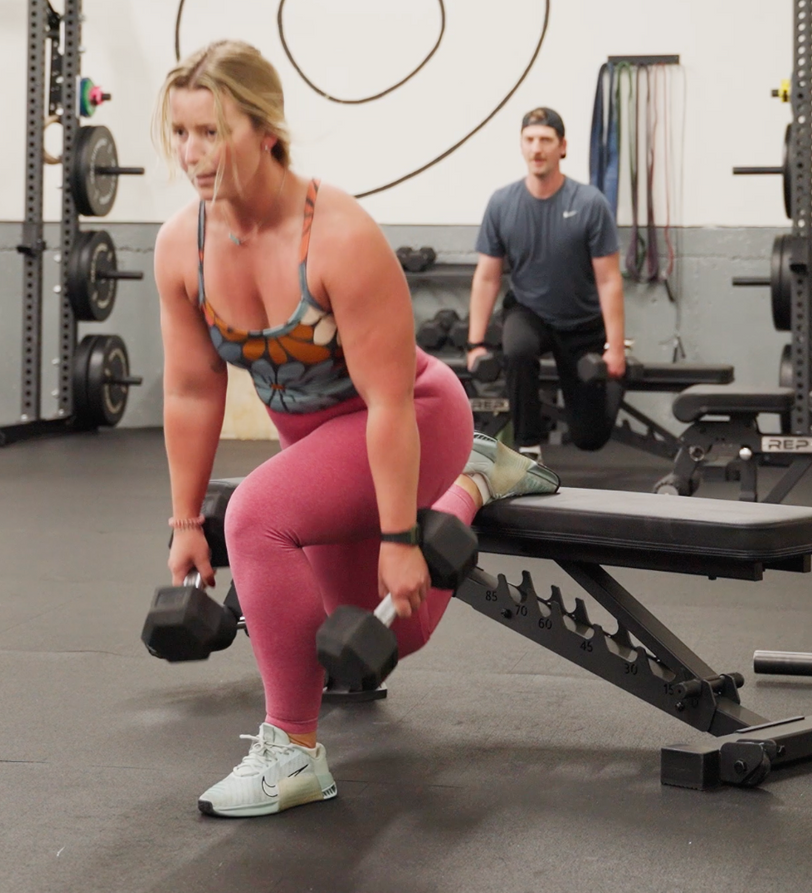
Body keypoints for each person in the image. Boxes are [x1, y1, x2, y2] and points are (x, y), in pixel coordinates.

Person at [152, 40, 558, 818]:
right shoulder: (183, 246)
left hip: (410, 419)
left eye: (212, 132)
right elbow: (193, 392)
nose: (192, 154)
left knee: (255, 515)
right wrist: (181, 521)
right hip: (319, 443)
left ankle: (293, 752)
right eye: (180, 133)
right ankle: (478, 481)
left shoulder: (337, 236)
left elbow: (390, 404)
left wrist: (404, 536)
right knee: (382, 647)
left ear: (265, 130)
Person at [465, 108, 626, 457]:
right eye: (530, 139)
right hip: (529, 310)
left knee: (589, 438)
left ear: (562, 147)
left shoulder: (590, 204)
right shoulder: (502, 203)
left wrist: (613, 348)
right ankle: (528, 445)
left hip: (581, 320)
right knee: (517, 348)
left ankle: (614, 385)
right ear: (522, 146)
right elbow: (488, 276)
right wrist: (475, 343)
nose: (537, 148)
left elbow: (609, 280)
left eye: (546, 140)